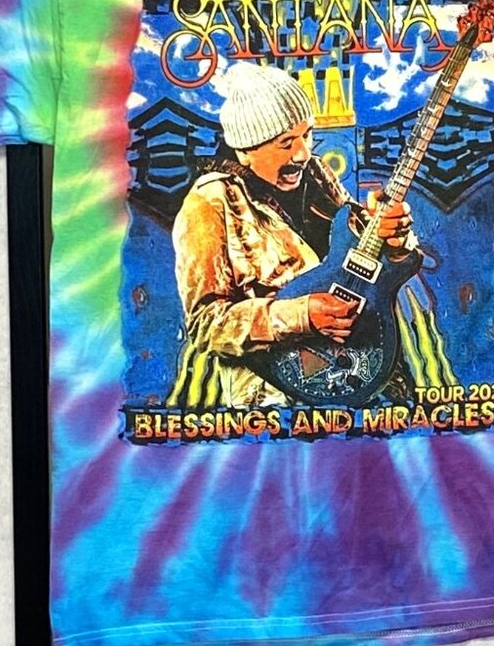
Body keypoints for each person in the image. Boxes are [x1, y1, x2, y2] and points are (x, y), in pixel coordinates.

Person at [170, 61, 419, 409]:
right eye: (285, 143)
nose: (302, 153)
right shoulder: (210, 202)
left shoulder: (316, 174)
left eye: (307, 134)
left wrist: (393, 237)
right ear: (245, 149)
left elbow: (369, 258)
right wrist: (301, 316)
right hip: (276, 397)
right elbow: (204, 326)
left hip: (369, 375)